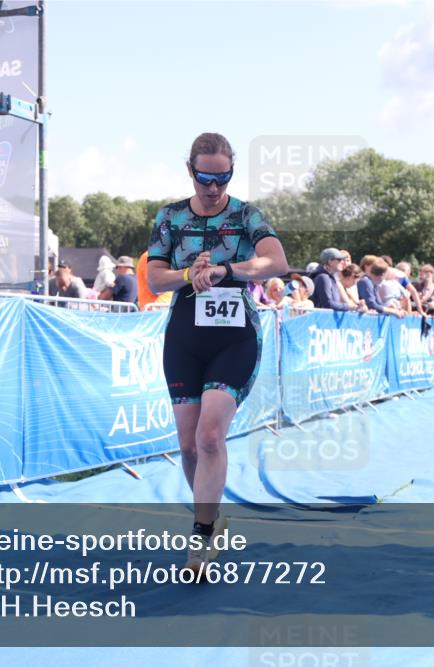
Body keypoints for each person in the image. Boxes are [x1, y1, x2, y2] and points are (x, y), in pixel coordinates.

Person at [146, 132, 288, 574]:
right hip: (185, 338)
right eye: (206, 177)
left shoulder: (247, 214)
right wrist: (190, 273)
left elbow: (277, 261)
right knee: (188, 446)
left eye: (222, 177)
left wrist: (228, 270)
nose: (213, 187)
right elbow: (154, 277)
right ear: (190, 171)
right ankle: (212, 519)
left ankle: (202, 538)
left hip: (235, 337)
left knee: (210, 437)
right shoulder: (169, 217)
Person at [311, 247, 362, 312]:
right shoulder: (323, 277)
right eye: (339, 260)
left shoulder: (330, 277)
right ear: (330, 261)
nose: (343, 262)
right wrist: (349, 307)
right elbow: (328, 303)